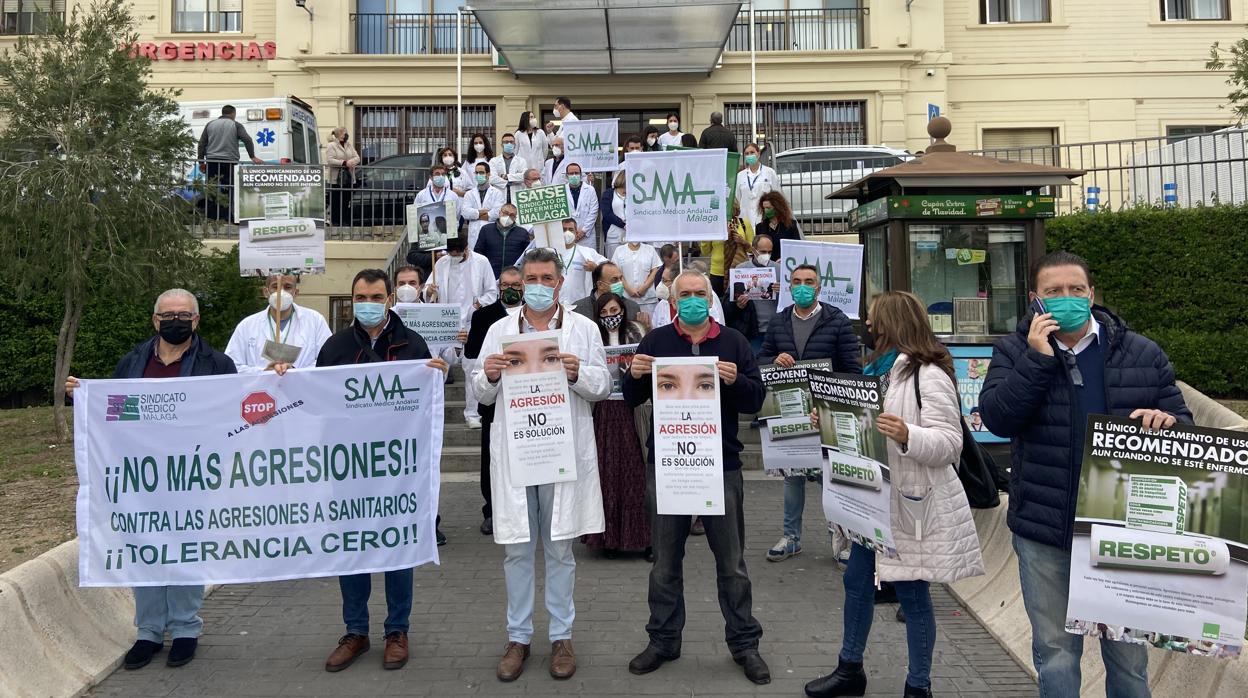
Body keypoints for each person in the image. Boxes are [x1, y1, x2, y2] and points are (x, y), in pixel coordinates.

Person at [978, 251, 1192, 698]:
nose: (1067, 298)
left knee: (1129, 659)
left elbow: (1183, 424)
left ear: (1092, 294)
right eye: (1054, 292)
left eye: (1076, 290)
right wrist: (1037, 359)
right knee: (1055, 652)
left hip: (1123, 532)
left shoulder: (1140, 352)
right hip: (1046, 530)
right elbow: (998, 418)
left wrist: (1167, 422)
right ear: (1035, 300)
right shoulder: (1013, 350)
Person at [804, 290, 984, 698]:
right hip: (872, 501)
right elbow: (863, 434)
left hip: (909, 504)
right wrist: (828, 421)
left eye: (872, 320)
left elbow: (949, 444)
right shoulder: (875, 370)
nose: (866, 326)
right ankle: (850, 669)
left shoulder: (928, 374)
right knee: (856, 581)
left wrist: (908, 435)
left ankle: (918, 686)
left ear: (890, 324)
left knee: (913, 593)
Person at [66, 289, 237, 671]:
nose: (175, 320)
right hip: (142, 476)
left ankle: (185, 629)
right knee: (146, 546)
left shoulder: (217, 364)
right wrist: (86, 398)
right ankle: (148, 632)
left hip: (191, 474)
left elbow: (231, 418)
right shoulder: (132, 362)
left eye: (183, 314)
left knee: (184, 549)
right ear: (154, 320)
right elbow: (115, 410)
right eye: (167, 314)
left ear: (196, 321)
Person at [622, 270, 771, 686]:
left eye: (698, 293)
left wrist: (735, 380)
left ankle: (745, 643)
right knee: (665, 563)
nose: (691, 299)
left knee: (732, 565)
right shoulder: (656, 342)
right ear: (672, 300)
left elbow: (756, 399)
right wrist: (633, 375)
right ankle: (663, 640)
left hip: (719, 465)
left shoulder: (733, 343)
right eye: (683, 294)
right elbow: (632, 398)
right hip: (667, 465)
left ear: (710, 298)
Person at [473, 247, 610, 682]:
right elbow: (479, 392)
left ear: (559, 282)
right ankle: (518, 637)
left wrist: (577, 373)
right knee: (517, 548)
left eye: (545, 278)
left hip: (560, 452)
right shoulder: (498, 330)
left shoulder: (583, 329)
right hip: (517, 451)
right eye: (529, 278)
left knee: (559, 547)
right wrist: (490, 376)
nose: (536, 286)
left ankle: (561, 637)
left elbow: (604, 385)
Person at [315, 269, 448, 673]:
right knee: (351, 549)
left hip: (396, 469)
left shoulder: (412, 343)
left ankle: (397, 630)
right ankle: (355, 631)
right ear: (352, 300)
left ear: (390, 298)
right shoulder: (335, 346)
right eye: (359, 297)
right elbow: (315, 399)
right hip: (349, 467)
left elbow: (429, 395)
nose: (367, 304)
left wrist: (440, 374)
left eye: (375, 296)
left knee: (397, 547)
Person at [757, 263, 862, 562]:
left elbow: (852, 369)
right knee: (793, 477)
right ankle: (791, 537)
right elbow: (761, 358)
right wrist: (773, 359)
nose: (803, 286)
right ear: (790, 286)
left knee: (830, 478)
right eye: (797, 281)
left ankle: (840, 540)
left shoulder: (837, 321)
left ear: (819, 287)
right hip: (790, 413)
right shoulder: (779, 322)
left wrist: (836, 406)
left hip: (825, 413)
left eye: (809, 281)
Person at [582, 292, 651, 559]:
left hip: (633, 408)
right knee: (606, 471)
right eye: (605, 312)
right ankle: (608, 538)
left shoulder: (637, 333)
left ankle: (641, 536)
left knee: (636, 471)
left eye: (615, 310)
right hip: (604, 410)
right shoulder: (592, 337)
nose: (611, 316)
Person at [463, 267, 526, 536]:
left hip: (528, 397)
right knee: (491, 457)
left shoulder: (533, 316)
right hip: (494, 397)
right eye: (505, 284)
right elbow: (473, 354)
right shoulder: (483, 316)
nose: (511, 289)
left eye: (516, 284)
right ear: (498, 286)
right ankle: (491, 510)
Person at [425, 235, 497, 426]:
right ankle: (434, 414)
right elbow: (427, 290)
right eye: (451, 253)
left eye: (458, 253)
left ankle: (472, 414)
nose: (454, 256)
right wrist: (429, 291)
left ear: (466, 248)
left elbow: (492, 292)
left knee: (471, 366)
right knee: (441, 365)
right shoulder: (441, 263)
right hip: (447, 323)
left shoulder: (482, 262)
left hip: (473, 322)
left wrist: (477, 305)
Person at [224, 274, 332, 373]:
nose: (281, 292)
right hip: (262, 392)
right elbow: (231, 365)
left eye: (288, 287)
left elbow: (327, 361)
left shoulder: (315, 321)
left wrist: (295, 371)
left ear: (296, 293)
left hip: (301, 391)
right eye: (275, 287)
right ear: (266, 292)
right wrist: (263, 372)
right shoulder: (247, 325)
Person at [196, 105, 263, 220]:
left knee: (211, 188)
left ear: (222, 113)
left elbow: (202, 144)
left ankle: (211, 217)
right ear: (233, 114)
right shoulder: (236, 125)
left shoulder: (210, 124)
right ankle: (228, 216)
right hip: (230, 162)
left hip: (212, 162)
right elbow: (247, 139)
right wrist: (252, 156)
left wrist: (201, 161)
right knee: (230, 188)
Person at [726, 234, 780, 354]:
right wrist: (738, 305)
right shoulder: (741, 269)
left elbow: (790, 299)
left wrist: (782, 291)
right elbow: (729, 301)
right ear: (753, 250)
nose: (766, 255)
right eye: (762, 252)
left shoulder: (779, 269)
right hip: (751, 329)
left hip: (775, 328)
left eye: (769, 252)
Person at [651, 266, 726, 329]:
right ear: (674, 302)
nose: (661, 284)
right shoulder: (662, 304)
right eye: (685, 294)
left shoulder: (704, 299)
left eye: (665, 281)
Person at [708, 200, 754, 296]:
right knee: (719, 301)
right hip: (717, 272)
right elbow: (705, 251)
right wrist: (707, 235)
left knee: (737, 299)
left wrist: (743, 242)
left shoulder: (743, 223)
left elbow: (752, 249)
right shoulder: (713, 224)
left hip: (738, 270)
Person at [571, 261, 643, 321]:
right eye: (614, 280)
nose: (620, 283)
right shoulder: (579, 310)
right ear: (600, 285)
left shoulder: (632, 308)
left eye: (621, 278)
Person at [475, 203, 530, 279]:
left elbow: (527, 256)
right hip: (490, 274)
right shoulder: (486, 229)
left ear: (515, 217)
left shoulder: (522, 233)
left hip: (513, 277)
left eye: (512, 215)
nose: (508, 217)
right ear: (500, 213)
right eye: (505, 213)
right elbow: (478, 251)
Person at [611, 238, 662, 318]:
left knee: (648, 326)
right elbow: (617, 272)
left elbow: (655, 269)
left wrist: (645, 287)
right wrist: (628, 289)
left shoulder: (650, 249)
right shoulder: (619, 250)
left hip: (647, 300)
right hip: (626, 298)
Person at [461, 161, 505, 251]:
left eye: (481, 173)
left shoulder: (497, 193)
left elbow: (497, 213)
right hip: (474, 232)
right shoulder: (469, 194)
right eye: (476, 173)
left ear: (488, 174)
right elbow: (465, 213)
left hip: (491, 231)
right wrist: (483, 211)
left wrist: (475, 215)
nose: (478, 175)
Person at [736, 143, 782, 228]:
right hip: (745, 219)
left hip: (764, 218)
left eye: (752, 152)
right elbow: (737, 199)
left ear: (758, 153)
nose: (750, 155)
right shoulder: (740, 176)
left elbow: (778, 197)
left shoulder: (769, 172)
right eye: (747, 153)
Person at [326, 127, 361, 226]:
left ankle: (344, 221)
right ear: (339, 135)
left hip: (348, 178)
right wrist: (344, 163)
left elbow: (357, 157)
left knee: (346, 201)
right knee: (336, 201)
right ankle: (335, 221)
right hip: (336, 179)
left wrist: (351, 162)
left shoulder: (349, 145)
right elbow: (330, 160)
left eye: (346, 133)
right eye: (344, 133)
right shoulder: (331, 145)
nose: (346, 135)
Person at [565, 162, 599, 249]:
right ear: (566, 175)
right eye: (571, 173)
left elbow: (594, 211)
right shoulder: (562, 191)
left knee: (587, 261)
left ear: (580, 175)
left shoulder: (590, 190)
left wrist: (583, 231)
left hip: (587, 236)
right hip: (567, 234)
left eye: (576, 173)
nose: (574, 175)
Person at [490, 131, 529, 202]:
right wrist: (512, 181)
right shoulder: (493, 161)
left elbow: (524, 177)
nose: (509, 144)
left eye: (511, 142)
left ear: (515, 144)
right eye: (506, 142)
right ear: (502, 145)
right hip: (500, 196)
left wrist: (506, 177)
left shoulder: (521, 161)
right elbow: (492, 178)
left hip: (516, 196)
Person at [600, 170, 628, 258]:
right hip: (613, 235)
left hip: (631, 234)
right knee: (613, 262)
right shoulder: (608, 194)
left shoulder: (636, 193)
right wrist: (623, 224)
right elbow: (607, 213)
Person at [515, 111, 550, 176]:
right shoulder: (518, 134)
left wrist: (541, 160)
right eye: (531, 117)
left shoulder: (540, 132)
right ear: (525, 119)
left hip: (538, 167)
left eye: (533, 117)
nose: (533, 119)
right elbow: (515, 151)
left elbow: (545, 149)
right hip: (523, 167)